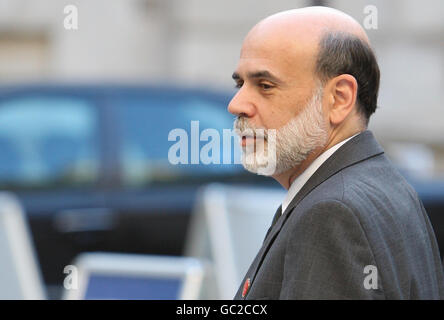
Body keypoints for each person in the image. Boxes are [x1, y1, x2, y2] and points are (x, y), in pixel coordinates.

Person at [228, 6, 444, 299]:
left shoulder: (332, 212)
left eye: (265, 85)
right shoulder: (380, 185)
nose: (236, 104)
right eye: (240, 83)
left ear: (339, 99)